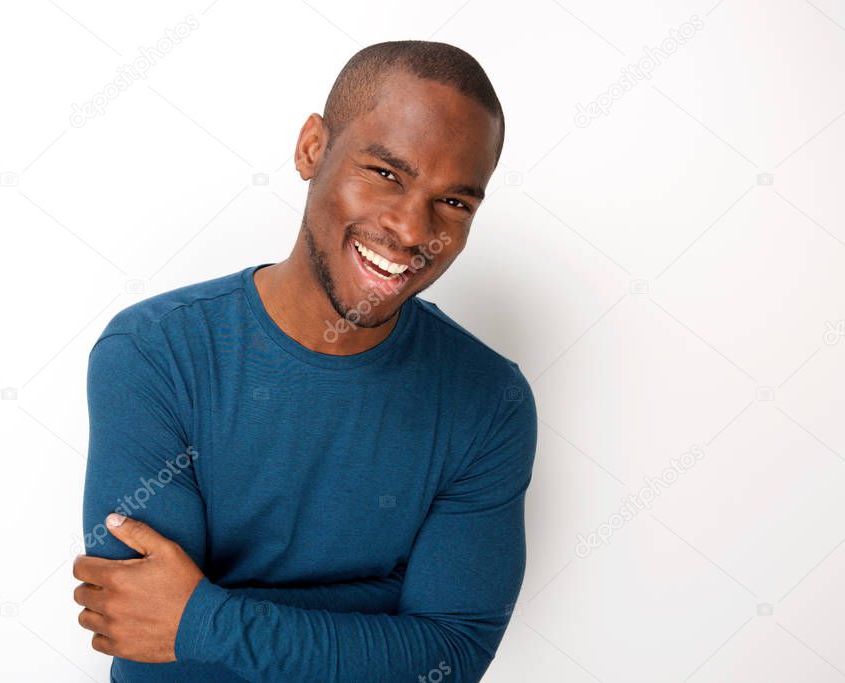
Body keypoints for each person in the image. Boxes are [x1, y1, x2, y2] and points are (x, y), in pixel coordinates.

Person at [73, 39, 537, 683]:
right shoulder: (156, 353)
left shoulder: (489, 401)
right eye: (387, 174)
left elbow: (449, 658)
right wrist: (381, 616)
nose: (410, 230)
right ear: (313, 149)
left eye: (454, 202)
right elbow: (138, 625)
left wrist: (206, 619)